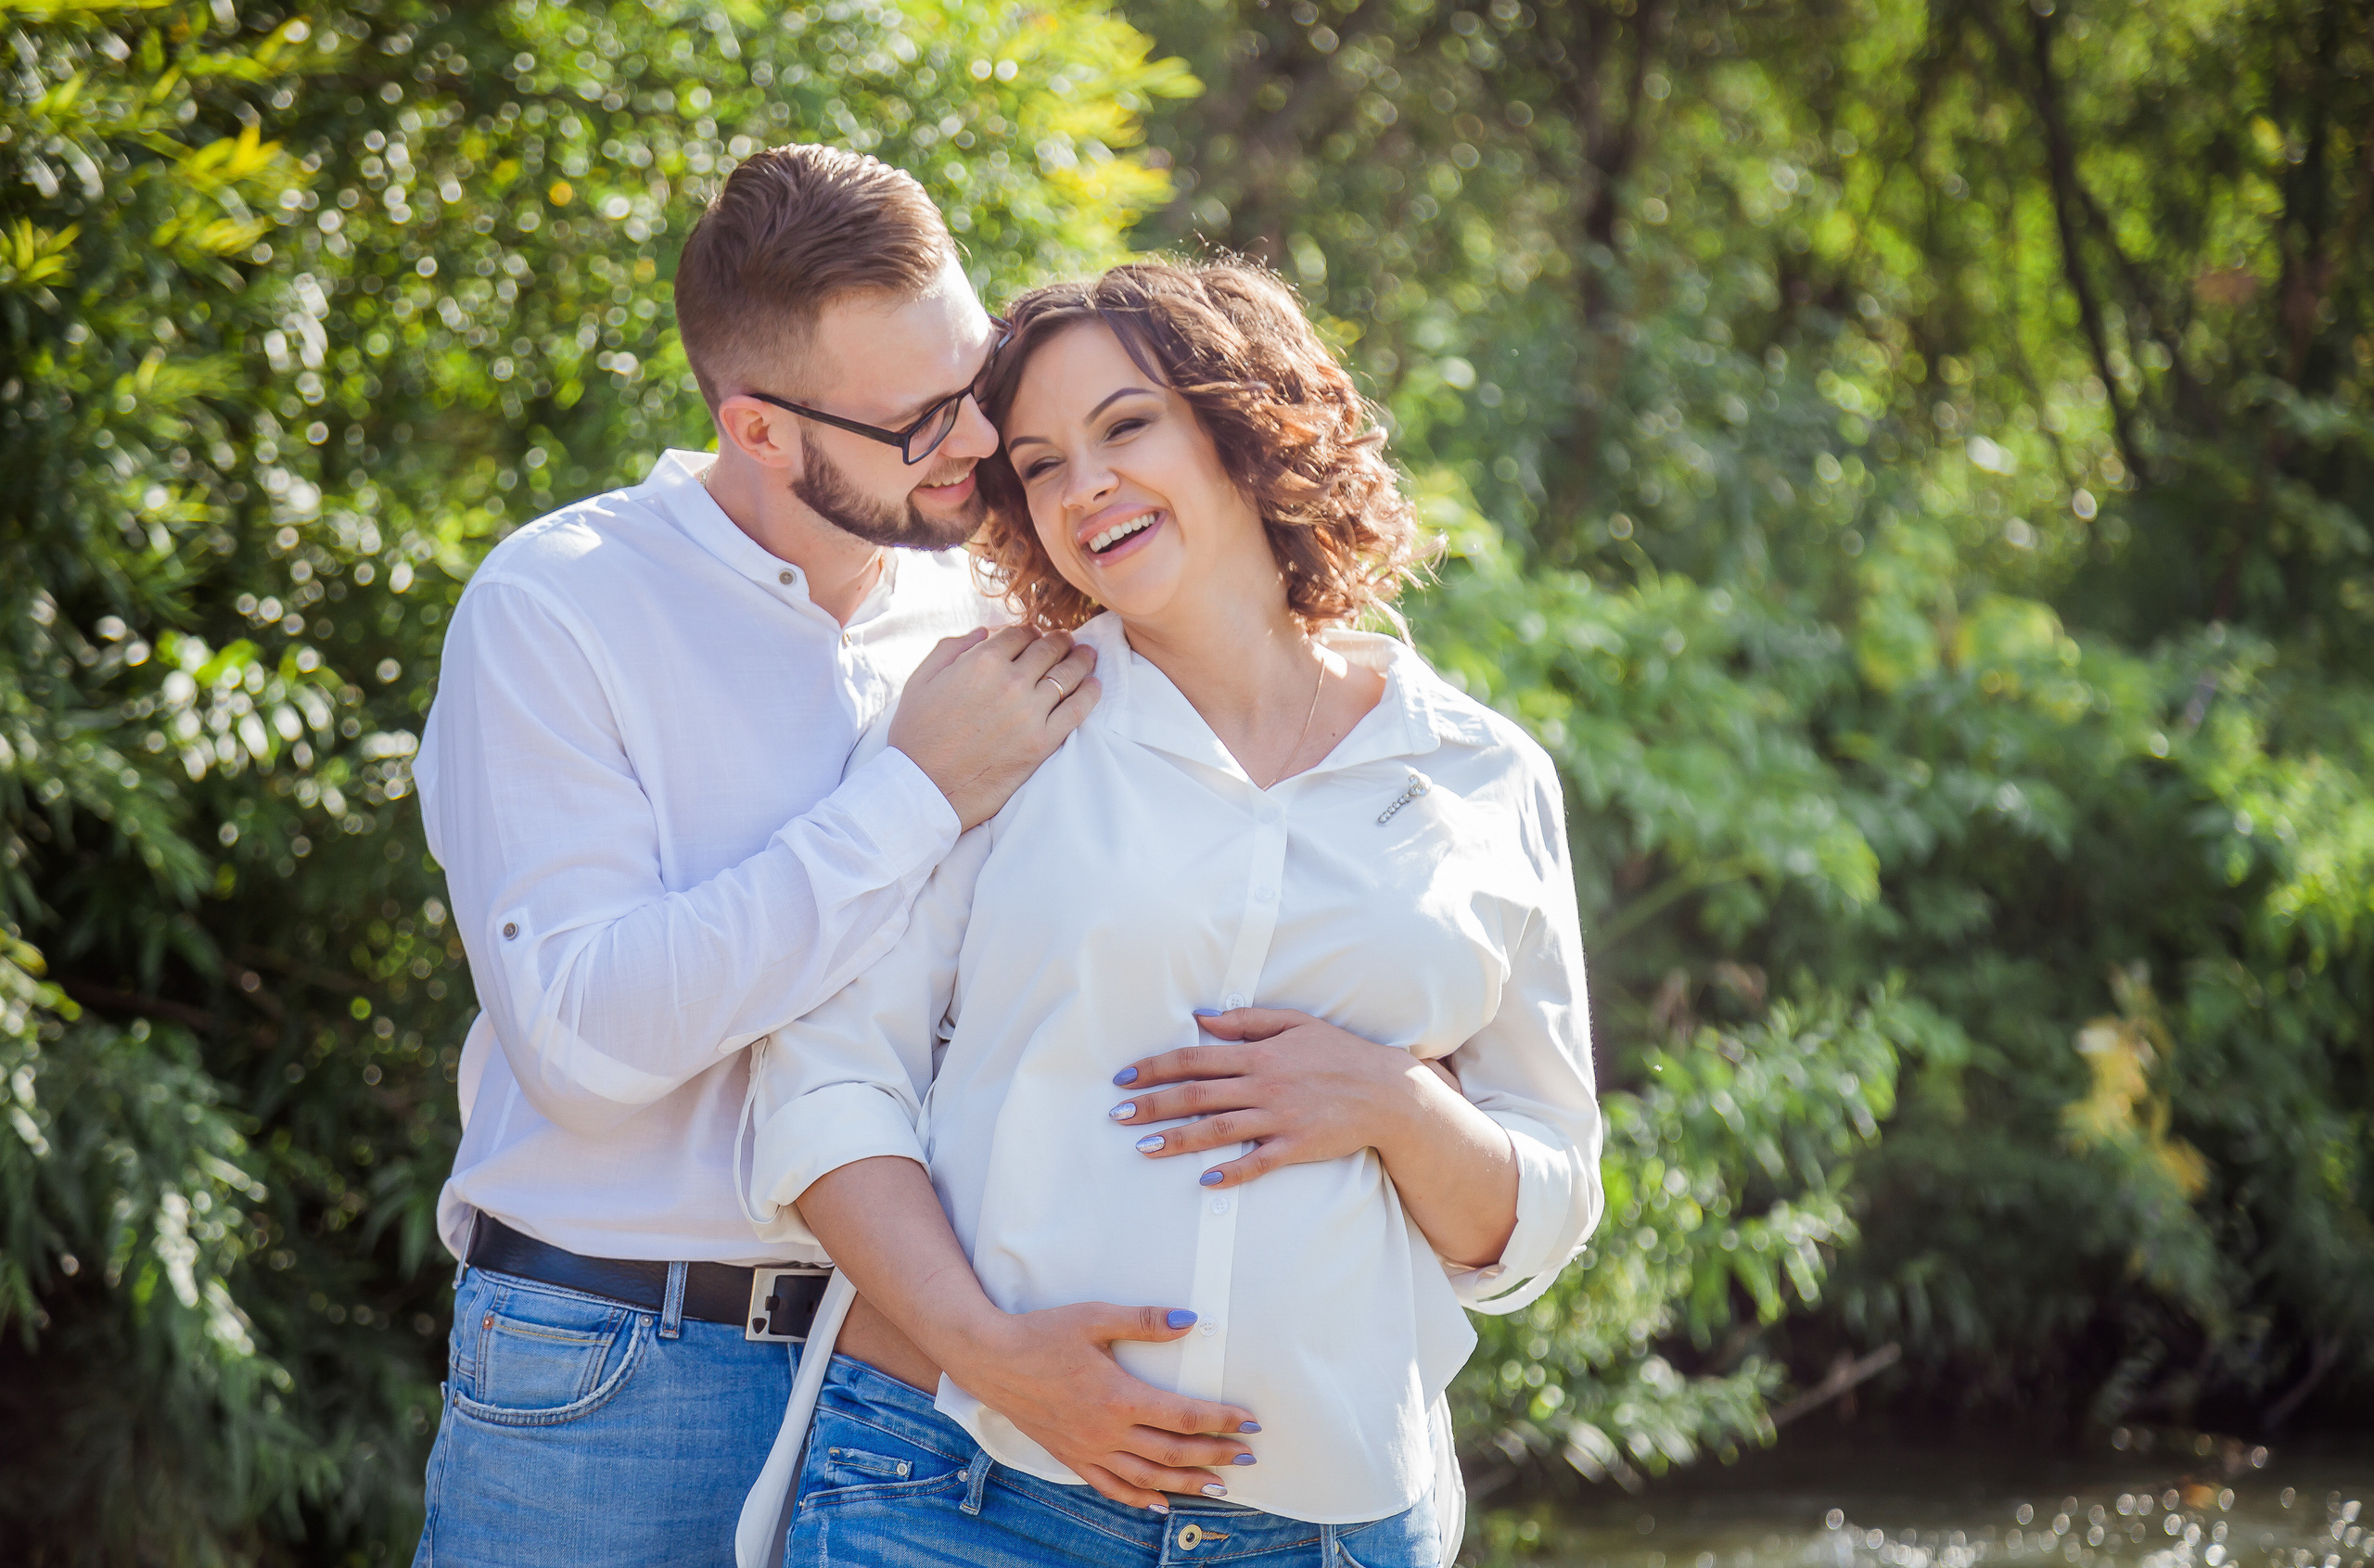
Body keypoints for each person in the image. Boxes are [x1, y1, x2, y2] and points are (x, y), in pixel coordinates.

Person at [408, 147, 1244, 1567]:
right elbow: (586, 1045)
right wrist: (917, 788)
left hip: (926, 1382)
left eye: (976, 384)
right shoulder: (558, 609)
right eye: (920, 422)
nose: (978, 442)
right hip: (620, 1367)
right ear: (761, 430)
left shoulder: (1004, 602)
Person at [745, 261, 1603, 1567]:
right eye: (1038, 463)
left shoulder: (1478, 776)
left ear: (1246, 425)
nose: (1083, 486)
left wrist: (1395, 1106)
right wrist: (998, 1360)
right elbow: (824, 1084)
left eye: (1126, 426)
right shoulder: (1000, 717)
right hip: (962, 1486)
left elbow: (1541, 1210)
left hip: (1325, 1529)